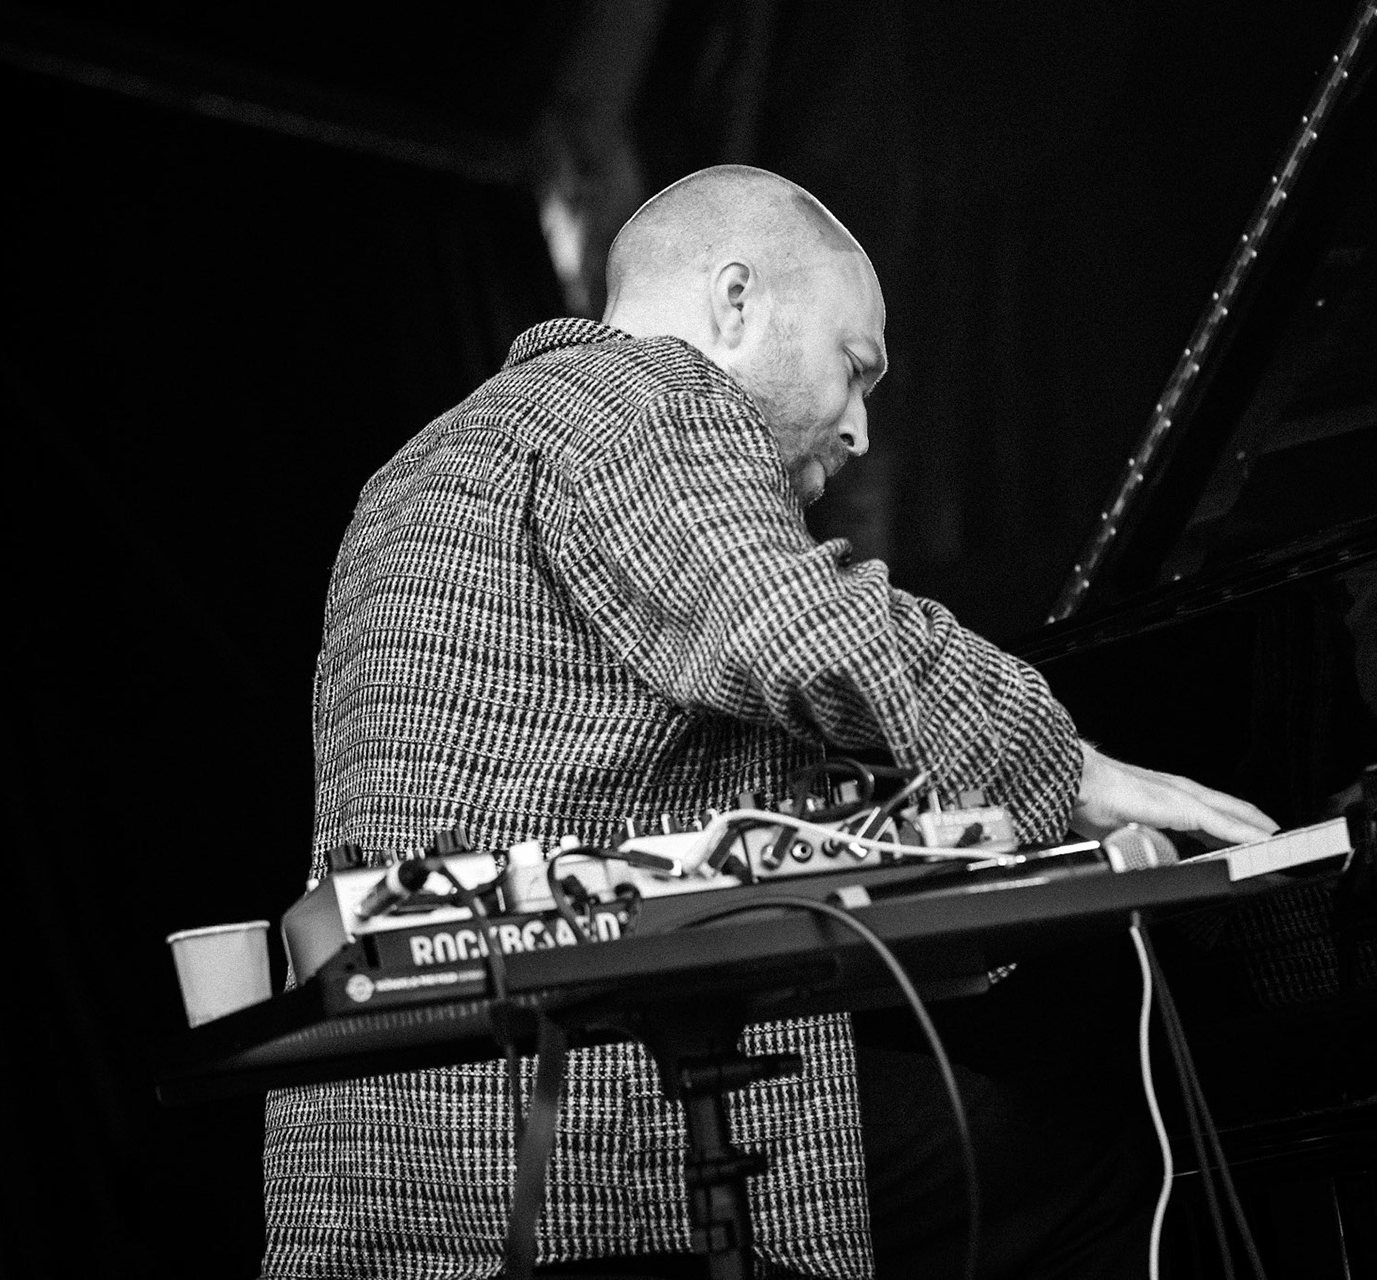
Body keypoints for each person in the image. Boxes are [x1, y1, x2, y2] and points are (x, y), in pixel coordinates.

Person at [262, 164, 1275, 1280]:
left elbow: (606, 760)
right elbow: (805, 630)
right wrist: (1061, 765)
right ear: (735, 302)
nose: (859, 429)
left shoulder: (415, 470)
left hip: (375, 1148)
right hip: (587, 1126)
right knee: (1077, 1167)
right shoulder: (650, 403)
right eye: (855, 369)